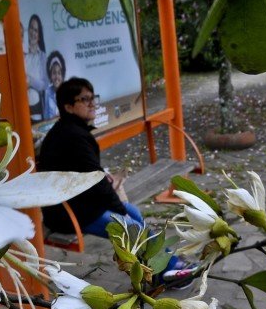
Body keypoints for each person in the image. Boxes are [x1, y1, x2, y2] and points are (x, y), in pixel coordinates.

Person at [38, 77, 197, 285]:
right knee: (132, 227)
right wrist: (117, 208)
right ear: (68, 107)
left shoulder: (71, 132)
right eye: (84, 99)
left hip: (81, 203)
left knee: (135, 214)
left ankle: (155, 267)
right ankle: (168, 270)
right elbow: (95, 181)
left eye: (92, 97)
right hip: (70, 213)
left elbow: (89, 174)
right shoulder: (73, 137)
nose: (92, 103)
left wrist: (119, 206)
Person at [24, 14, 47, 120]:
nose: (33, 33)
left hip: (37, 106)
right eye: (31, 28)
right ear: (28, 30)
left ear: (39, 35)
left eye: (36, 30)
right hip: (23, 104)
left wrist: (29, 80)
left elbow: (44, 85)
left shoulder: (42, 56)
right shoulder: (22, 53)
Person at [42, 51, 65, 120]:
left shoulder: (68, 90)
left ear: (62, 76)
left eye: (59, 73)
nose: (56, 77)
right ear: (50, 76)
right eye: (54, 73)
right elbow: (46, 117)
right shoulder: (47, 92)